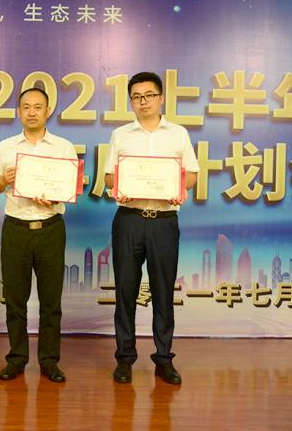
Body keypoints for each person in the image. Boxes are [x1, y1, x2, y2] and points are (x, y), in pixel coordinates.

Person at [104, 72, 199, 385]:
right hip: (128, 219)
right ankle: (124, 359)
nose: (143, 102)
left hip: (164, 222)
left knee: (163, 291)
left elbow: (192, 174)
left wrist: (178, 187)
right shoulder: (121, 135)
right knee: (125, 291)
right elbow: (108, 177)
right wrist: (118, 187)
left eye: (149, 95)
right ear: (130, 101)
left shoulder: (178, 134)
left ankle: (164, 359)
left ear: (161, 98)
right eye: (136, 97)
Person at [0, 88, 77, 383]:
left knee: (51, 301)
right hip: (15, 228)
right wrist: (4, 180)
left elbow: (69, 188)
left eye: (37, 107)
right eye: (26, 106)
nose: (31, 112)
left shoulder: (63, 147)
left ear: (48, 111)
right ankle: (16, 358)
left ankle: (49, 361)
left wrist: (54, 197)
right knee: (15, 300)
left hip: (50, 228)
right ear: (19, 111)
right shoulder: (6, 147)